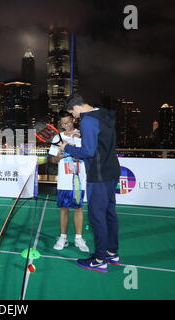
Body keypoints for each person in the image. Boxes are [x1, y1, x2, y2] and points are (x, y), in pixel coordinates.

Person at [59, 94, 121, 273]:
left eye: (73, 113)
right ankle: (111, 252)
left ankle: (100, 259)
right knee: (110, 213)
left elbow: (88, 151)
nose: (75, 117)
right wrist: (84, 134)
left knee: (97, 216)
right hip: (112, 169)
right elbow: (101, 139)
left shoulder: (88, 121)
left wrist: (67, 147)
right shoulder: (103, 114)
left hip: (99, 174)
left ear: (76, 108)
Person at [48, 110, 89, 253]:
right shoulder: (57, 137)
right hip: (64, 180)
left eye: (69, 122)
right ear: (60, 123)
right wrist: (58, 157)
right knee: (64, 208)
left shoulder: (82, 135)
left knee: (78, 208)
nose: (67, 125)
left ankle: (78, 238)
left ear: (73, 119)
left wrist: (80, 156)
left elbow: (90, 154)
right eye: (64, 123)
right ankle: (63, 237)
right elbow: (51, 159)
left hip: (79, 178)